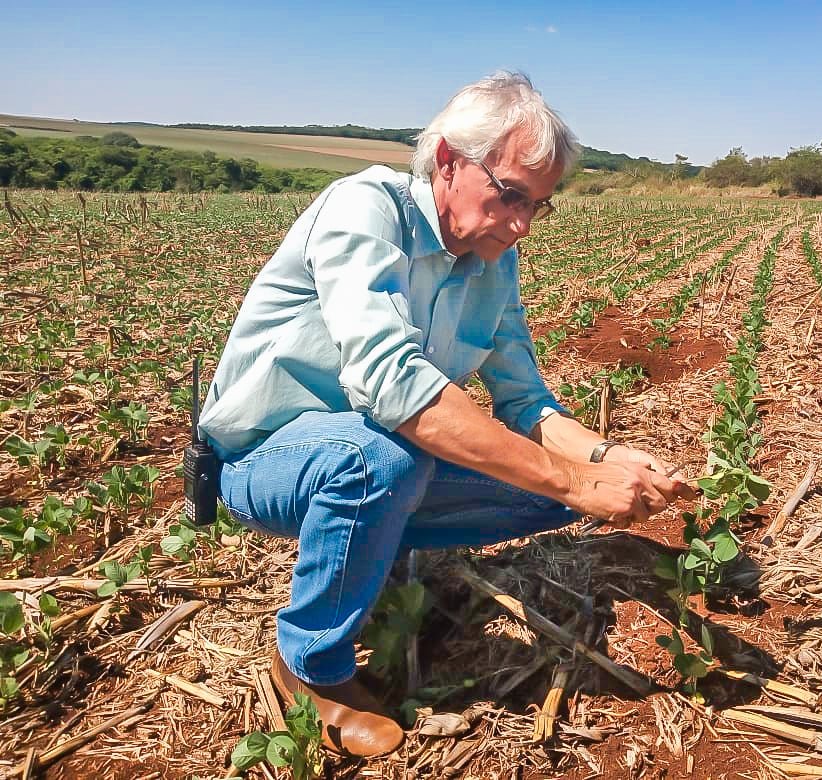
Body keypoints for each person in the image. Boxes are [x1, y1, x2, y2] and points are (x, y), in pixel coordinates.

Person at [199, 72, 693, 758]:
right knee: (380, 459)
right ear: (448, 162)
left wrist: (602, 460)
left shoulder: (495, 260)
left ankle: (376, 548)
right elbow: (391, 386)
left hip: (375, 452)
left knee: (546, 497)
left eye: (538, 206)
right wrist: (573, 478)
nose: (521, 224)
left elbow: (526, 401)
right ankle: (308, 664)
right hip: (265, 458)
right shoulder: (364, 208)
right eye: (510, 195)